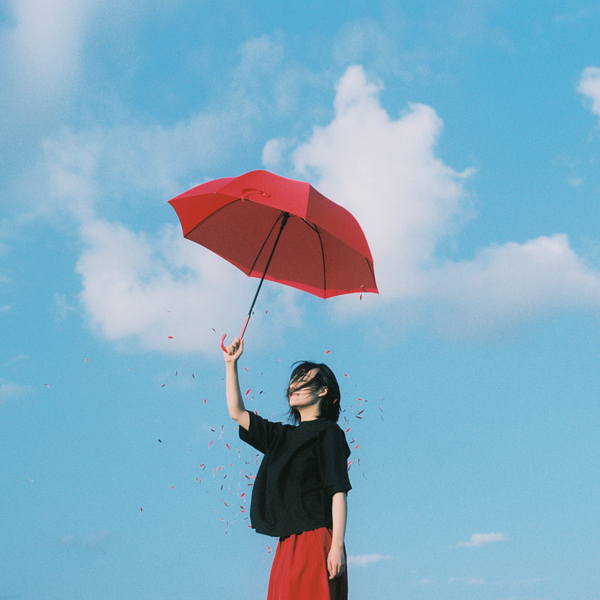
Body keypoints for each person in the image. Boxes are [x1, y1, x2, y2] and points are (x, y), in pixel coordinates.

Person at [223, 337, 351, 600]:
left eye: (303, 380)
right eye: (293, 380)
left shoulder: (329, 433)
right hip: (287, 545)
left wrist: (337, 545)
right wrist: (230, 364)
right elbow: (237, 413)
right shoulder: (280, 436)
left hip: (317, 541)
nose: (294, 385)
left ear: (323, 390)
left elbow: (338, 491)